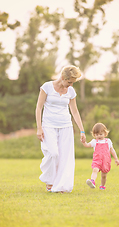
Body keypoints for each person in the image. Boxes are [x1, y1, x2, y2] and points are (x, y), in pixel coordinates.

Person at [35, 65, 86, 193]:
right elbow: (39, 108)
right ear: (63, 77)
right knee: (53, 153)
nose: (70, 85)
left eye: (73, 83)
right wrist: (39, 128)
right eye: (69, 82)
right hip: (49, 125)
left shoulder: (71, 91)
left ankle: (61, 186)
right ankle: (50, 181)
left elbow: (74, 111)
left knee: (65, 157)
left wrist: (82, 130)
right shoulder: (46, 87)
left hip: (66, 126)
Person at [82, 122, 119, 190]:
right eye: (96, 134)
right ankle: (92, 181)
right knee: (95, 170)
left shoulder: (108, 141)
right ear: (94, 134)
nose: (99, 136)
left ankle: (102, 186)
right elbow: (87, 145)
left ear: (105, 133)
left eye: (100, 134)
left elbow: (112, 150)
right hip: (97, 160)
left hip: (106, 161)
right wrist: (84, 142)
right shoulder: (94, 141)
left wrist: (116, 159)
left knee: (104, 175)